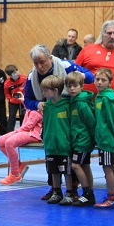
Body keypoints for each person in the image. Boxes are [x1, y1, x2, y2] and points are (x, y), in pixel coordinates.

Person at [75, 20, 114, 101]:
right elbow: (74, 73)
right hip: (87, 103)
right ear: (102, 34)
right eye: (109, 33)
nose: (112, 36)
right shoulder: (87, 50)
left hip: (113, 104)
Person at [92, 68, 114, 208]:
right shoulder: (100, 97)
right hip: (105, 138)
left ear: (110, 83)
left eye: (103, 80)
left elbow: (113, 120)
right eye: (97, 79)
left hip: (108, 139)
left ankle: (111, 197)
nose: (99, 82)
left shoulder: (107, 98)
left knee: (108, 168)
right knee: (113, 167)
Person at [66, 71, 96, 206]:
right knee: (85, 165)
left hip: (83, 141)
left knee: (75, 165)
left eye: (75, 86)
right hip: (78, 140)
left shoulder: (82, 104)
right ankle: (90, 193)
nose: (72, 89)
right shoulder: (73, 101)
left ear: (82, 86)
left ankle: (87, 193)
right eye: (69, 86)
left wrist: (93, 139)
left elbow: (91, 122)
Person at [40, 75, 70, 205]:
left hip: (64, 145)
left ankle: (69, 192)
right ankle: (56, 191)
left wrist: (69, 140)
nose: (44, 94)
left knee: (66, 171)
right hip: (50, 144)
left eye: (46, 91)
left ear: (56, 90)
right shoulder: (46, 106)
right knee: (53, 170)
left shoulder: (66, 105)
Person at [0, 109, 42, 185]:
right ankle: (18, 165)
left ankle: (15, 174)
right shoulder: (28, 108)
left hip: (35, 133)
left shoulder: (35, 110)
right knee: (0, 142)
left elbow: (28, 126)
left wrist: (17, 132)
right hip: (26, 130)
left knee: (10, 143)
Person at [4, 65, 26, 132]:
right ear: (10, 75)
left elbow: (28, 88)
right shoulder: (7, 83)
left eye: (17, 71)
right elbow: (6, 93)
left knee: (23, 117)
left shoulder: (24, 78)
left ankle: (23, 132)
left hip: (23, 102)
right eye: (14, 73)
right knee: (11, 118)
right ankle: (9, 133)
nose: (17, 73)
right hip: (13, 103)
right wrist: (10, 99)